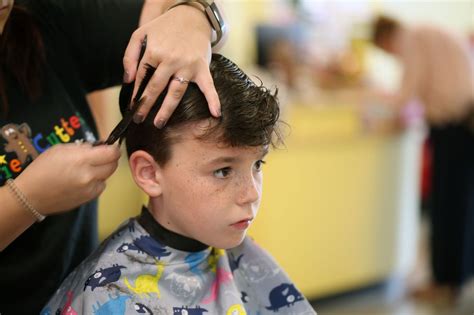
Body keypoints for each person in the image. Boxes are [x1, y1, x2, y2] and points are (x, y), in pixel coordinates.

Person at [42, 54, 316, 315]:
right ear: (149, 174)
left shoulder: (237, 253)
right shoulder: (108, 293)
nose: (251, 194)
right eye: (223, 171)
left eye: (257, 165)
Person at [0, 0, 227, 313]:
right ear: (147, 171)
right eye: (224, 171)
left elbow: (167, 9)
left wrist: (192, 16)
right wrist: (26, 199)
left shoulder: (40, 23)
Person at [371, 15, 474, 303]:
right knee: (460, 206)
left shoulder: (414, 38)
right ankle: (454, 280)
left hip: (454, 127)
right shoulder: (429, 31)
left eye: (385, 51)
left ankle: (444, 284)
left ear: (386, 37)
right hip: (463, 124)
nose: (392, 56)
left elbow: (409, 90)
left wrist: (386, 114)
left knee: (447, 208)